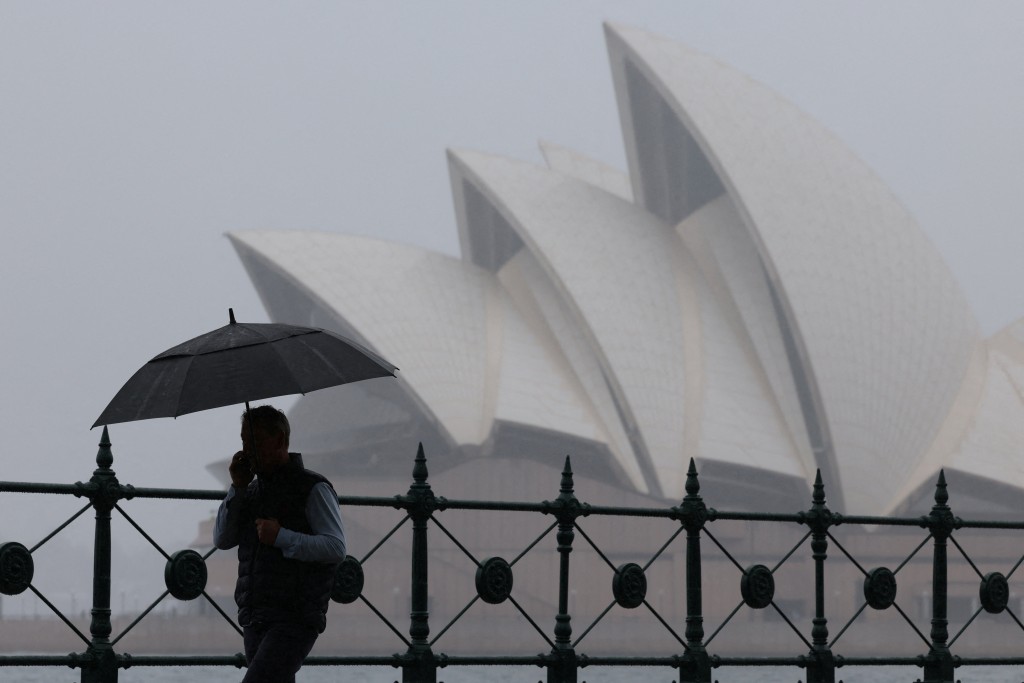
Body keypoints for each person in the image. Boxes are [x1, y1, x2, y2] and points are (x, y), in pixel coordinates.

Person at [213, 405, 347, 683]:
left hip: (295, 615)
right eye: (244, 442)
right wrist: (237, 488)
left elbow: (335, 548)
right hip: (254, 615)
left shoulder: (313, 488)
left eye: (256, 441)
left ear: (281, 441)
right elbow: (222, 539)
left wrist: (282, 536)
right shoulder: (249, 492)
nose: (248, 450)